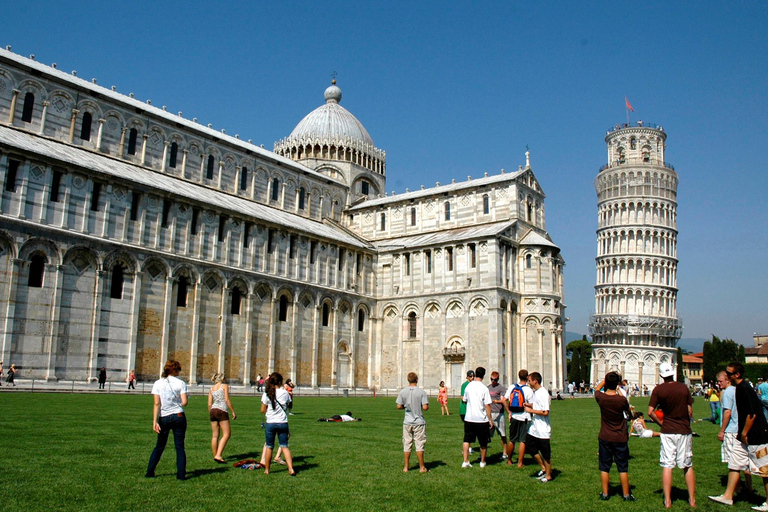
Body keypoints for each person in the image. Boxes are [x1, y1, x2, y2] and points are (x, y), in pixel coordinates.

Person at [648, 362, 695, 508]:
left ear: (661, 375)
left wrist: (661, 423)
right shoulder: (683, 388)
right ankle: (692, 500)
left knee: (668, 464)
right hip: (684, 430)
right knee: (687, 464)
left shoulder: (658, 390)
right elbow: (690, 411)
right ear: (673, 372)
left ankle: (667, 500)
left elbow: (650, 412)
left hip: (667, 430)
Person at [725, 362, 768, 511]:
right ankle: (727, 496)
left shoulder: (744, 388)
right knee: (734, 462)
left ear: (737, 375)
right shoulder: (738, 388)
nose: (726, 375)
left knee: (764, 470)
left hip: (756, 435)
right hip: (743, 435)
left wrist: (744, 433)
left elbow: (752, 413)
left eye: (729, 373)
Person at [708, 370, 752, 506]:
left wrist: (722, 430)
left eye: (720, 381)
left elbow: (727, 412)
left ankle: (735, 489)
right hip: (740, 428)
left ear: (728, 380)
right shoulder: (736, 390)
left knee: (733, 463)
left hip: (731, 430)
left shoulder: (727, 392)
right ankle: (748, 487)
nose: (718, 384)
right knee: (744, 461)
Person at [595, 372, 635, 501]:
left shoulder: (601, 398)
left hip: (605, 436)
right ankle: (626, 494)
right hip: (620, 436)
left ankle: (605, 494)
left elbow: (596, 388)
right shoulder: (621, 400)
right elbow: (628, 413)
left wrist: (605, 380)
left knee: (604, 467)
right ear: (618, 383)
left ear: (606, 383)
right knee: (622, 467)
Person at [146, 360, 188, 480]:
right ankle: (181, 475)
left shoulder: (158, 383)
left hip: (164, 417)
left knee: (159, 445)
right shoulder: (181, 383)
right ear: (174, 370)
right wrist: (178, 402)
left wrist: (155, 421)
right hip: (178, 416)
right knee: (179, 447)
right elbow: (184, 402)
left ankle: (150, 471)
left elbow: (156, 403)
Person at [260, 372, 295, 476]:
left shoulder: (267, 393)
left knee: (270, 446)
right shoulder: (285, 393)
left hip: (271, 422)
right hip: (283, 422)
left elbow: (262, 410)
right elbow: (288, 403)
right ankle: (291, 469)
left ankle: (267, 469)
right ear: (280, 382)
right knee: (284, 446)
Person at [396, 372, 429, 473]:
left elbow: (398, 406)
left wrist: (405, 407)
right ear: (417, 380)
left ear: (408, 380)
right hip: (419, 421)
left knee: (407, 444)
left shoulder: (403, 392)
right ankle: (422, 467)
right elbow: (425, 407)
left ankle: (406, 467)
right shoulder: (421, 392)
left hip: (407, 421)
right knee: (419, 444)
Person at [461, 367, 493, 468]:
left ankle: (465, 461)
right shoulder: (484, 388)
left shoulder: (469, 386)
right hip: (481, 419)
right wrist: (490, 419)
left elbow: (464, 399)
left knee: (467, 440)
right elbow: (487, 405)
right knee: (483, 442)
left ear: (475, 374)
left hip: (469, 417)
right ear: (484, 375)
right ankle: (482, 462)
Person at [526, 371, 553, 482]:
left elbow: (545, 411)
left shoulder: (543, 393)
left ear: (535, 381)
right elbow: (538, 405)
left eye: (529, 380)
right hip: (534, 428)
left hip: (543, 429)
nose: (528, 382)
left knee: (546, 454)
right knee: (530, 447)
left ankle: (548, 476)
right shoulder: (535, 392)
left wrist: (531, 410)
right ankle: (543, 468)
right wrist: (529, 405)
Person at [505, 369, 535, 467]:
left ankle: (509, 460)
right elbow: (532, 405)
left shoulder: (512, 387)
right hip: (524, 417)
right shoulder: (529, 390)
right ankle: (520, 463)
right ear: (527, 378)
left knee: (512, 440)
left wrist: (509, 411)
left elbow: (504, 400)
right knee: (523, 441)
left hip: (514, 416)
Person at [208, 372, 237, 463]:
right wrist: (232, 411)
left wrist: (211, 412)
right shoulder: (224, 386)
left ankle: (215, 455)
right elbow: (227, 400)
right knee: (226, 434)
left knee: (215, 435)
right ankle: (218, 455)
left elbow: (209, 404)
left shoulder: (211, 389)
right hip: (222, 410)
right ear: (222, 379)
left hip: (213, 410)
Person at [488, 371, 508, 459]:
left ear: (498, 379)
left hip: (499, 413)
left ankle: (505, 453)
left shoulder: (501, 388)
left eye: (495, 380)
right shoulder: (487, 388)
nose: (493, 381)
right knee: (486, 435)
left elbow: (503, 400)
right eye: (491, 379)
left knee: (503, 435)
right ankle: (483, 454)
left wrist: (495, 401)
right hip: (490, 413)